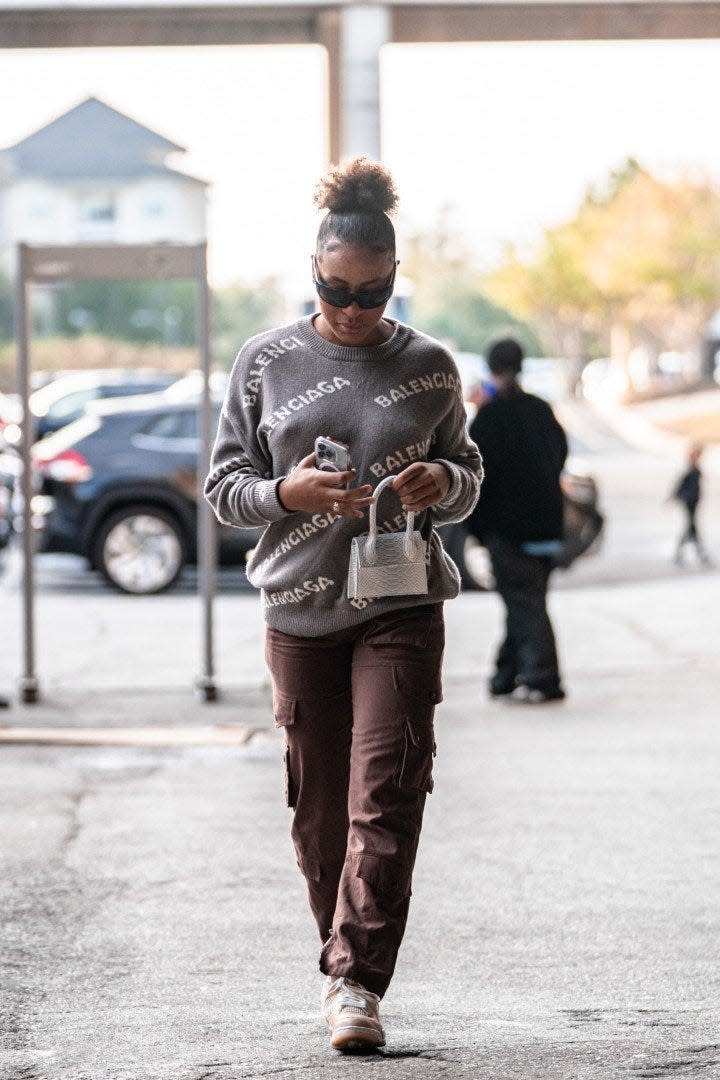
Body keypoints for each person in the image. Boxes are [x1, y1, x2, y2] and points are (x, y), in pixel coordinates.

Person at [204, 157, 483, 1054]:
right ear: (312, 272)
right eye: (332, 289)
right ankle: (343, 955)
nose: (350, 309)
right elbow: (222, 486)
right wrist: (287, 496)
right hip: (298, 609)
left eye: (367, 293)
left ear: (395, 280)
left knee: (388, 787)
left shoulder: (432, 366)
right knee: (320, 810)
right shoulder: (267, 362)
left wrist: (444, 477)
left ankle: (357, 982)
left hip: (399, 604)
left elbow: (470, 475)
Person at [467, 338, 568, 704]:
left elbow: (475, 478)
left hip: (508, 531)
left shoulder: (488, 419)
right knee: (526, 601)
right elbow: (558, 458)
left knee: (524, 603)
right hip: (546, 528)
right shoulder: (541, 411)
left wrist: (477, 528)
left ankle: (544, 678)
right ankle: (505, 675)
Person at [671, 441, 711, 567]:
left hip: (693, 503)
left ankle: (696, 554)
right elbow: (680, 486)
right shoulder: (691, 471)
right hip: (689, 503)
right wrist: (675, 497)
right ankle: (696, 554)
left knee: (691, 529)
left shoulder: (695, 469)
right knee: (691, 528)